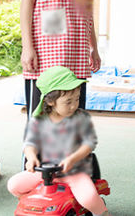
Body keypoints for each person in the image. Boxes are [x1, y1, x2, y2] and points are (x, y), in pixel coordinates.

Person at [7, 66, 111, 216]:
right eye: (68, 102)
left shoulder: (80, 117)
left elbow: (89, 145)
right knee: (14, 185)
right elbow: (30, 144)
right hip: (45, 172)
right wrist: (31, 158)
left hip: (74, 171)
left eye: (77, 99)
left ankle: (102, 213)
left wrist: (72, 158)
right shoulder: (39, 120)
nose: (74, 105)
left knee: (89, 198)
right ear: (50, 101)